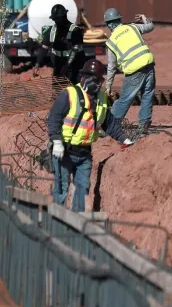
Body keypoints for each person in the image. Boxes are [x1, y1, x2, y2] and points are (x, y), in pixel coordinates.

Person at [47, 59, 134, 212]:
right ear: (84, 78)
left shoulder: (101, 99)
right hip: (64, 151)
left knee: (82, 188)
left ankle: (76, 220)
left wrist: (124, 139)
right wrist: (57, 141)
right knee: (61, 188)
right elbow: (54, 118)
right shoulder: (69, 94)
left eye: (99, 80)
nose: (97, 84)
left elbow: (109, 124)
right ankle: (56, 222)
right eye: (95, 79)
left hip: (84, 154)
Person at [103, 8, 156, 137]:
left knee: (125, 99)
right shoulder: (133, 27)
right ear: (119, 20)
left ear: (109, 25)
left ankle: (110, 125)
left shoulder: (111, 41)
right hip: (148, 64)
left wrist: (108, 87)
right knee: (147, 95)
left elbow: (111, 67)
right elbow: (150, 26)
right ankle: (143, 125)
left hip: (134, 71)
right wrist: (144, 18)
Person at [33, 4, 86, 82]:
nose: (56, 21)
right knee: (57, 88)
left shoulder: (75, 31)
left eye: (58, 19)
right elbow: (44, 49)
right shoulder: (51, 31)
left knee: (74, 89)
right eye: (55, 19)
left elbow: (75, 51)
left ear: (64, 17)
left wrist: (66, 66)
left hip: (74, 67)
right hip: (58, 67)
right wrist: (37, 65)